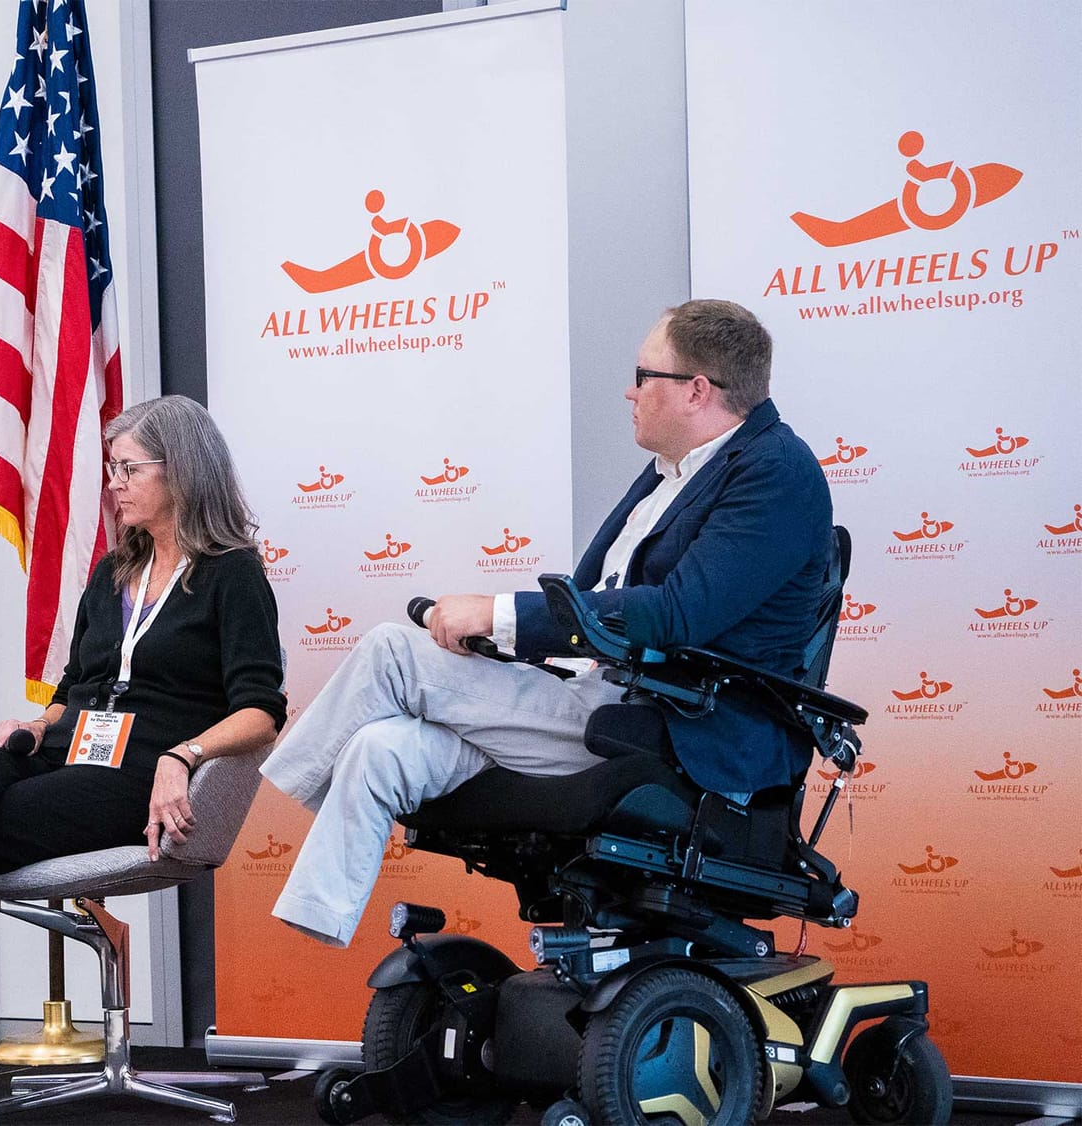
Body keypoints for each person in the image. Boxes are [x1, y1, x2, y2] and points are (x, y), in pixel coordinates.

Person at [263, 299, 833, 947]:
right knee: (379, 749)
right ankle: (317, 920)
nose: (630, 391)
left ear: (697, 390)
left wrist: (499, 613)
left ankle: (261, 807)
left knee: (392, 651)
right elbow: (595, 599)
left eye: (643, 375)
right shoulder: (670, 475)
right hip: (588, 691)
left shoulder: (777, 472)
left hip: (670, 724)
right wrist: (507, 644)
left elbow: (678, 613)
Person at [0, 396, 287, 1120]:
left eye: (129, 468)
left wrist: (183, 755)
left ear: (180, 470)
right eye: (112, 468)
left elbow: (262, 710)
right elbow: (75, 690)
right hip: (64, 756)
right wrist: (35, 723)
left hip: (134, 777)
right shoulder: (113, 573)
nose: (114, 483)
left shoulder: (231, 575)